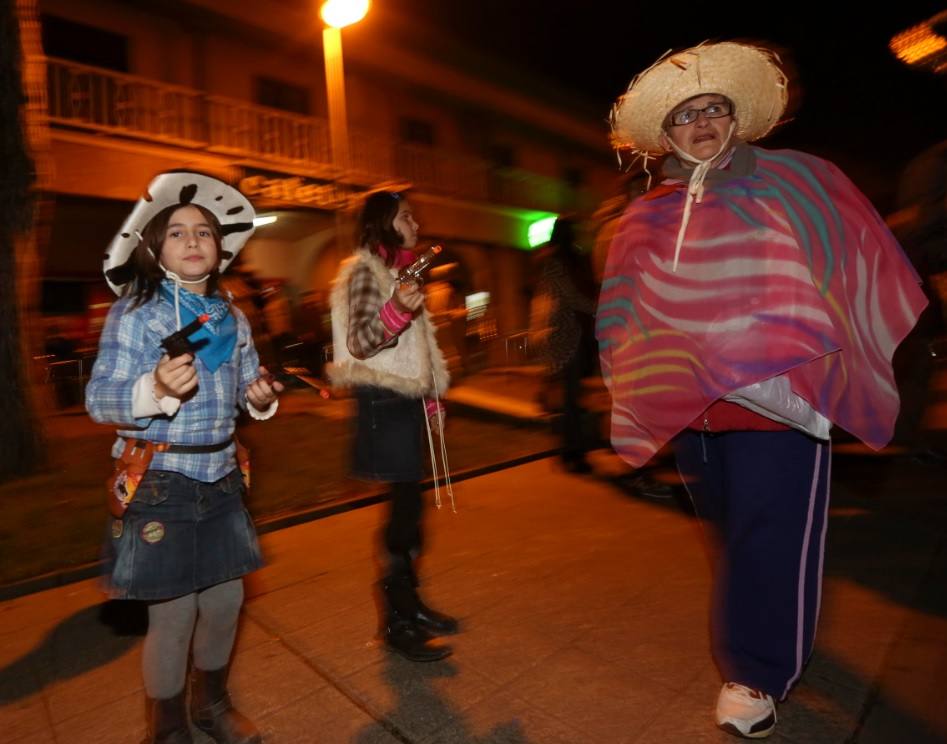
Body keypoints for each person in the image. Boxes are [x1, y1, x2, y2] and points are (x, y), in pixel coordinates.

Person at [597, 42, 927, 739]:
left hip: (780, 407)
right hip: (694, 413)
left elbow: (850, 259)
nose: (702, 121)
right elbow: (626, 310)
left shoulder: (790, 182)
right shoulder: (645, 217)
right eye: (686, 114)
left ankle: (754, 673)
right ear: (667, 134)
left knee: (770, 539)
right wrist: (638, 384)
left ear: (735, 119)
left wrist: (810, 340)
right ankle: (766, 624)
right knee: (732, 535)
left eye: (714, 107)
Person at [86, 172, 282, 744]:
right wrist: (156, 389)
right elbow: (99, 398)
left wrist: (261, 399)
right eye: (177, 231)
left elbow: (248, 386)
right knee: (172, 617)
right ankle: (167, 728)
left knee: (225, 602)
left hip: (222, 478)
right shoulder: (137, 313)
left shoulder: (232, 318)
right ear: (154, 246)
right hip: (160, 482)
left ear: (220, 248)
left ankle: (211, 706)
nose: (193, 239)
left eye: (204, 231)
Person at [327, 190, 457, 662]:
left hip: (403, 404)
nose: (416, 224)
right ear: (385, 222)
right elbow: (361, 341)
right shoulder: (364, 272)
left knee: (412, 515)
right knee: (401, 522)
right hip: (381, 403)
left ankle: (411, 605)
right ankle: (396, 621)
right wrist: (399, 309)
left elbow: (414, 351)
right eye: (406, 217)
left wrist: (429, 400)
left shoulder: (398, 274)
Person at [530, 217, 598, 472]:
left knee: (574, 396)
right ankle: (571, 454)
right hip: (565, 337)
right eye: (574, 231)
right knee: (571, 397)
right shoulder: (555, 261)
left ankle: (573, 451)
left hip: (576, 335)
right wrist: (596, 307)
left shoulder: (567, 259)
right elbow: (569, 297)